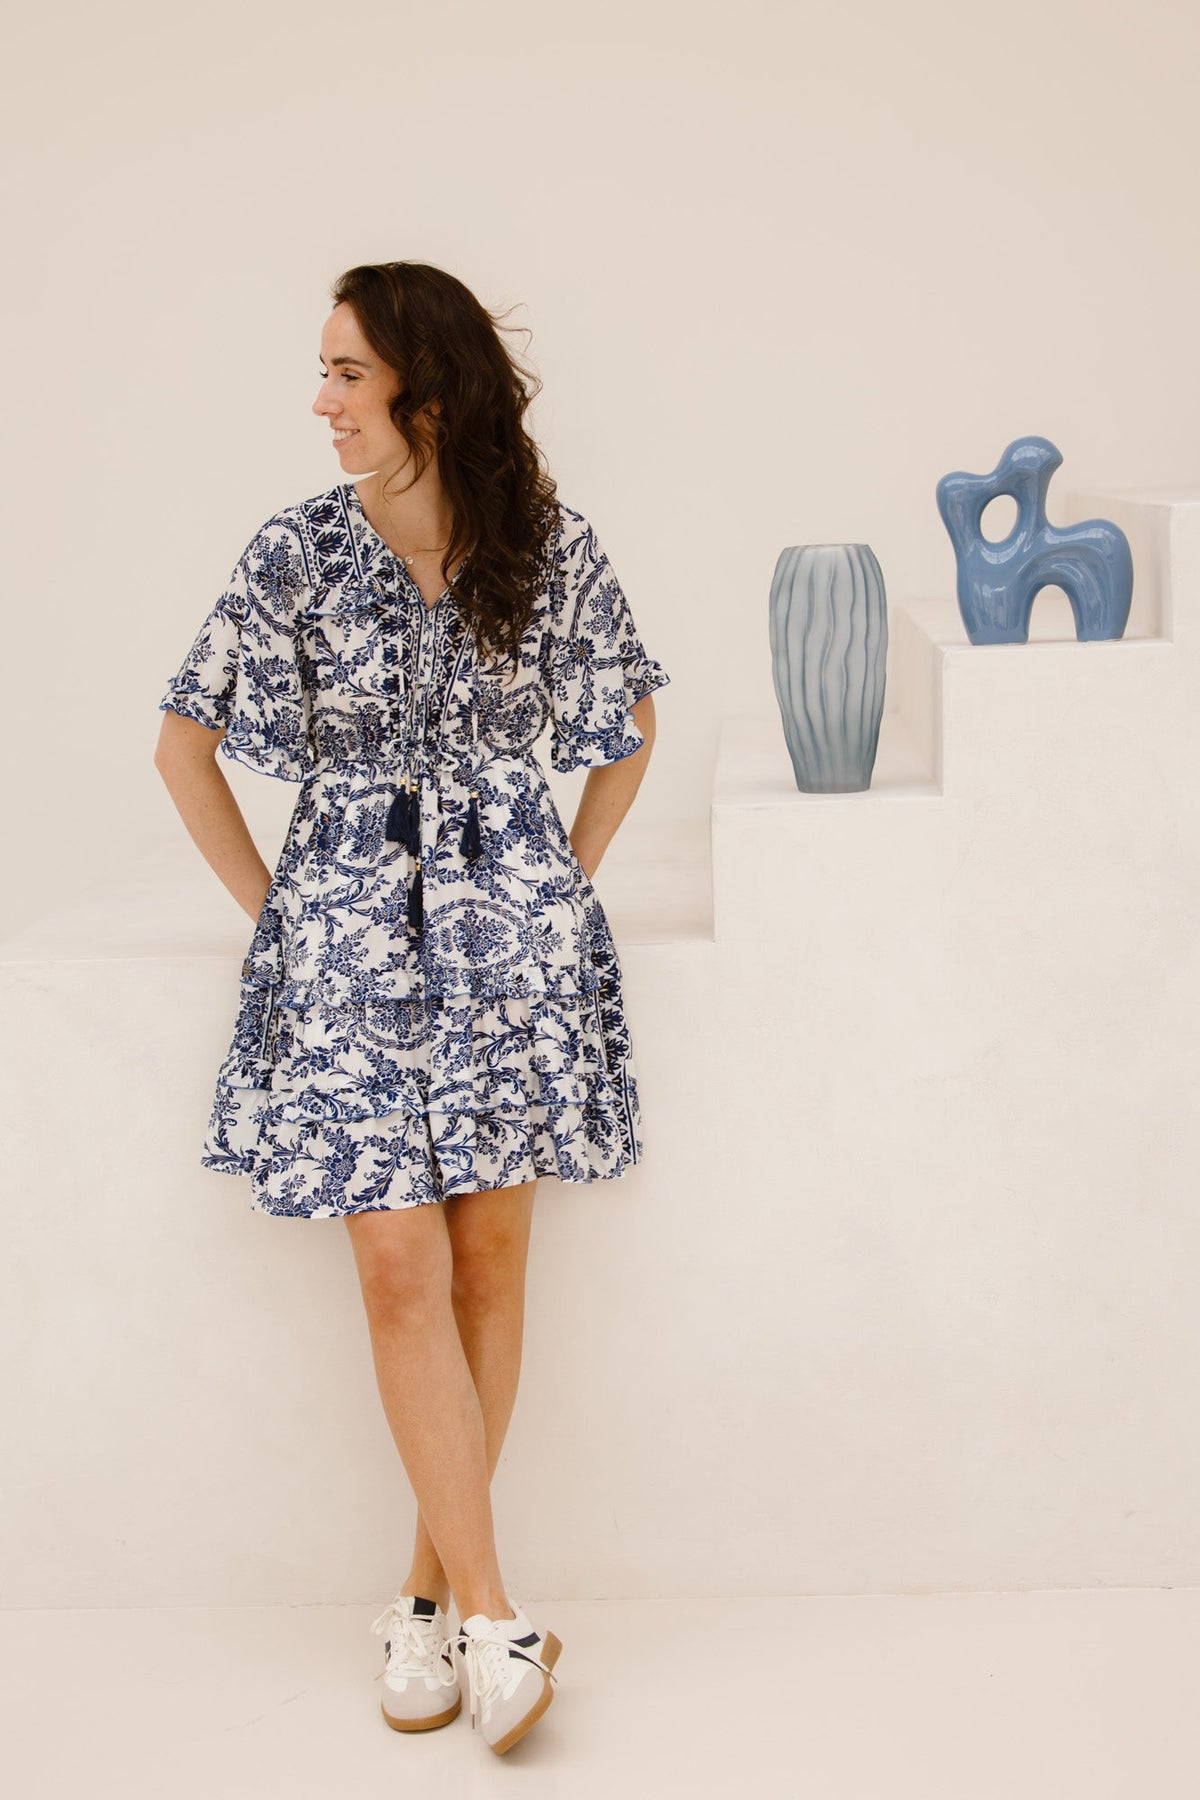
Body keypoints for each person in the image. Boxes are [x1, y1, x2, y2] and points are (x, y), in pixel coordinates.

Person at [153, 261, 671, 1757]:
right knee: (398, 1266)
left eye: (346, 374)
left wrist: (556, 889)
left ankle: (426, 1599)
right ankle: (501, 1615)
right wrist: (285, 918)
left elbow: (632, 725)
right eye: (323, 371)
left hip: (512, 955)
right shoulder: (297, 553)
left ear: (426, 393)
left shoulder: (545, 546)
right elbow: (183, 748)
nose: (320, 402)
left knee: (489, 1268)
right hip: (348, 953)